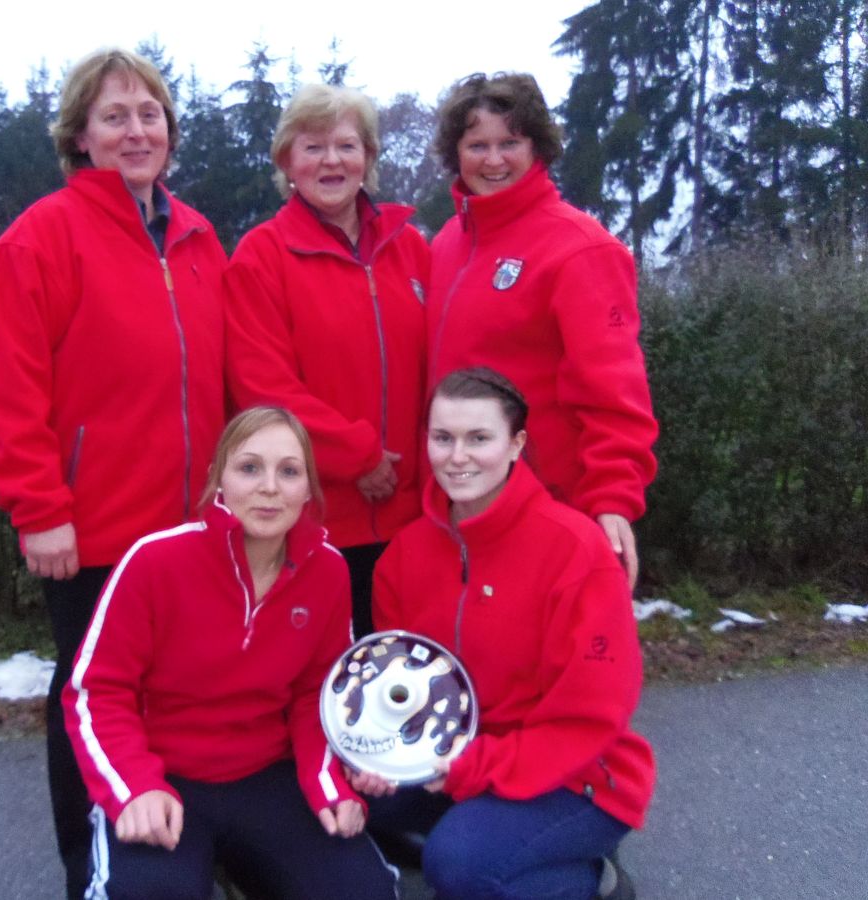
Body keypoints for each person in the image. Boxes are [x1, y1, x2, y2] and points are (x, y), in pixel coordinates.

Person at [0, 48, 226, 898]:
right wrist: (39, 507)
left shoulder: (197, 237)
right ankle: (91, 868)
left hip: (193, 525)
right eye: (114, 117)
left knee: (183, 696)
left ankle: (176, 849)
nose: (136, 131)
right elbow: (3, 385)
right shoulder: (41, 238)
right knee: (89, 699)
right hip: (94, 530)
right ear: (80, 135)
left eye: (150, 115)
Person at [65, 407, 398, 900]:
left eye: (289, 471)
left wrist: (329, 785)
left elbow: (319, 694)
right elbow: (96, 692)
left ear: (308, 489)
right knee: (150, 893)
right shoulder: (155, 561)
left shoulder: (327, 570)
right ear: (218, 477)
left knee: (361, 892)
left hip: (268, 774)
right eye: (249, 468)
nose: (270, 487)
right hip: (165, 774)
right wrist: (134, 787)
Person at [356, 368, 655, 900]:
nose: (457, 457)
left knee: (458, 863)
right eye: (442, 438)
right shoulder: (404, 556)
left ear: (516, 444)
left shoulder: (576, 550)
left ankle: (591, 881)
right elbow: (400, 683)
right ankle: (498, 844)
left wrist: (475, 767)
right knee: (350, 795)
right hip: (459, 758)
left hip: (576, 776)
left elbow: (590, 717)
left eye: (479, 438)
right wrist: (378, 757)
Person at [426, 73, 657, 589]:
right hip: (459, 505)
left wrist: (612, 499)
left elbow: (615, 391)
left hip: (547, 506)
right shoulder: (446, 244)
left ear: (537, 148)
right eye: (477, 145)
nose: (494, 160)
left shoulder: (580, 249)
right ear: (456, 153)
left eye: (510, 142)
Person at [224, 83, 429, 638]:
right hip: (314, 518)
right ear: (287, 161)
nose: (331, 161)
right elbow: (261, 387)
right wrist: (359, 456)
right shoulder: (261, 257)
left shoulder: (411, 249)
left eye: (346, 146)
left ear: (369, 156)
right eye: (313, 147)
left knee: (398, 668)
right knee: (319, 673)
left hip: (414, 519)